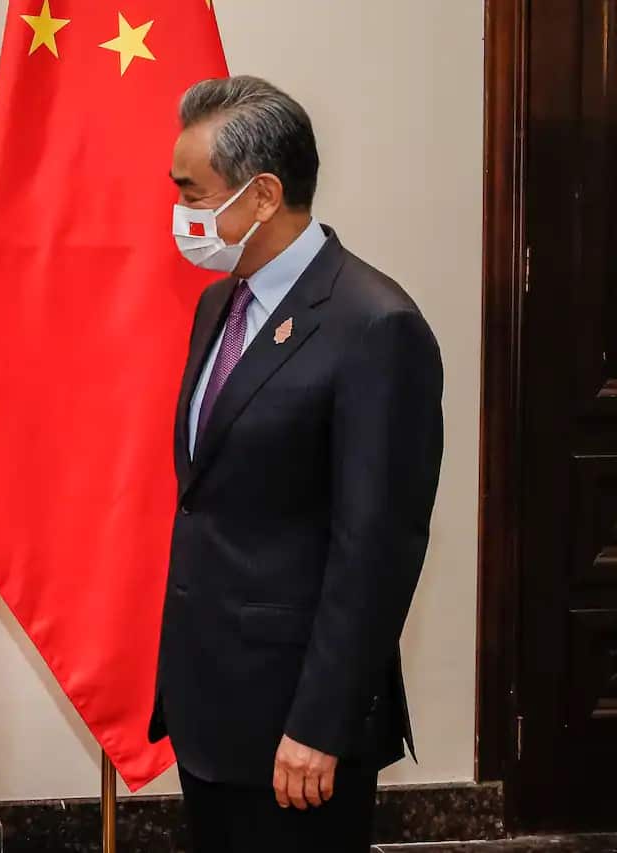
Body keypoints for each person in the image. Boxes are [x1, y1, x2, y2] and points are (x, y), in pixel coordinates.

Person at [150, 75, 444, 852]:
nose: (180, 211)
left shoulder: (375, 325)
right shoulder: (221, 303)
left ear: (262, 195)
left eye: (193, 191)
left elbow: (375, 549)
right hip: (211, 706)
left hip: (297, 727)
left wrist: (320, 723)